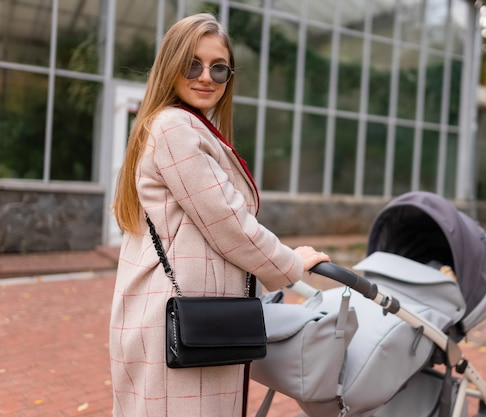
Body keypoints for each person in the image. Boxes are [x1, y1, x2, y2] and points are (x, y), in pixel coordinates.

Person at [109, 13, 330, 417]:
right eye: (192, 64)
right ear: (170, 67)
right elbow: (229, 224)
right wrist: (291, 264)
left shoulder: (185, 126)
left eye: (219, 68)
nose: (205, 76)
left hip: (183, 315)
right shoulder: (176, 127)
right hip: (181, 322)